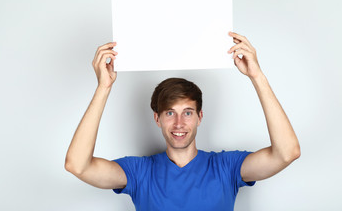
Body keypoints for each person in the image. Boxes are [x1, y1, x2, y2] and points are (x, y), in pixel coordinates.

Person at [65, 32, 301, 211]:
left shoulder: (225, 167)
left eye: (187, 112)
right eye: (170, 113)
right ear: (157, 118)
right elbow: (77, 165)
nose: (179, 123)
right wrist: (103, 87)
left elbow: (287, 152)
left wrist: (257, 76)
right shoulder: (140, 172)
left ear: (200, 117)